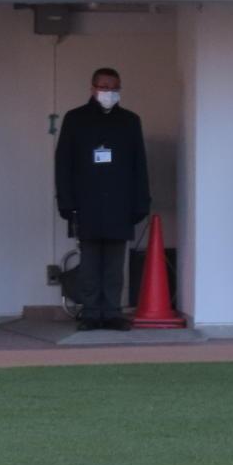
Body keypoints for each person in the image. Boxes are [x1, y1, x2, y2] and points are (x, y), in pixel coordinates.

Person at [55, 67, 150, 332]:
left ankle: (111, 312)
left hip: (120, 202)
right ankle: (90, 312)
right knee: (89, 261)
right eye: (104, 87)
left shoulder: (130, 121)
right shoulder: (75, 119)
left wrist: (141, 202)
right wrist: (66, 201)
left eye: (114, 88)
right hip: (86, 202)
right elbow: (63, 163)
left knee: (115, 263)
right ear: (93, 88)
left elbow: (139, 165)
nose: (109, 92)